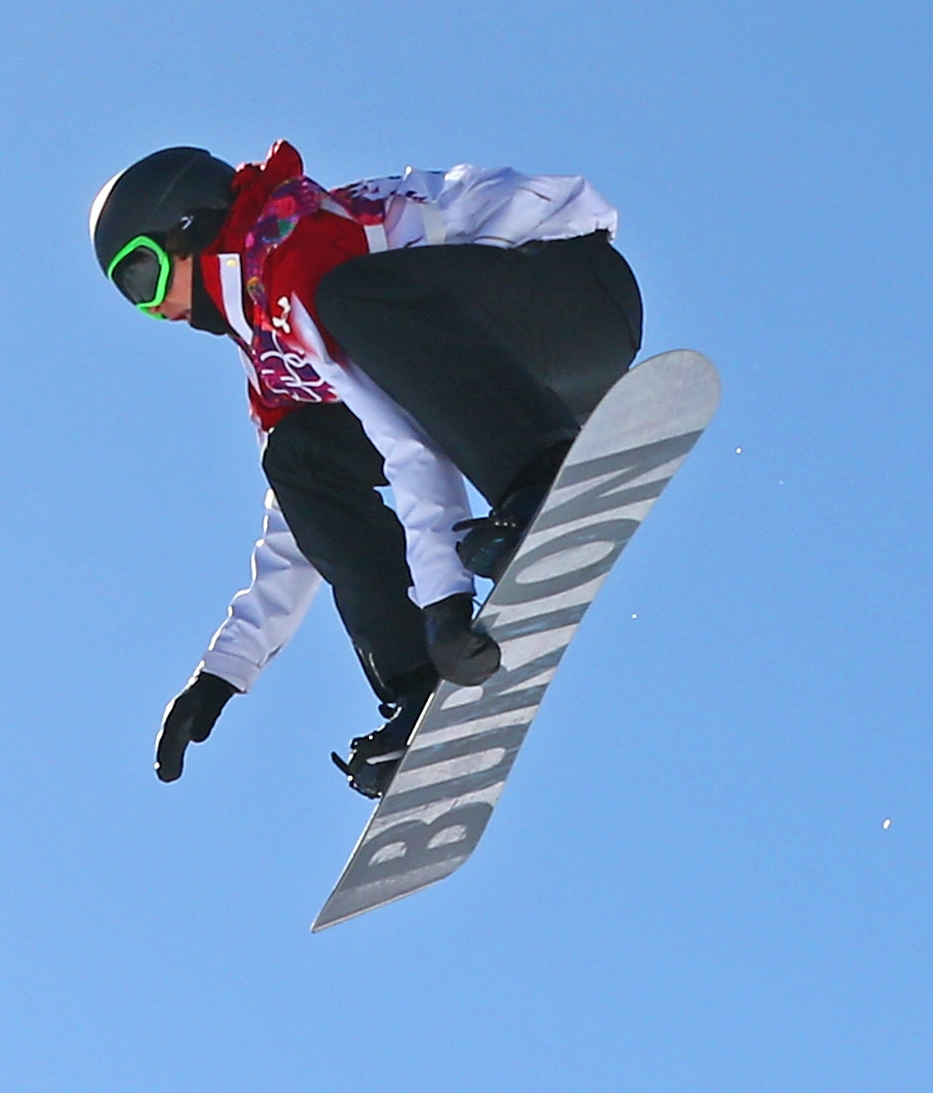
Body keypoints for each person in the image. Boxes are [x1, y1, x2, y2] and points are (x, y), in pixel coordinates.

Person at [96, 143, 642, 796]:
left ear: (188, 224)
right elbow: (304, 520)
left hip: (569, 290)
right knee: (297, 454)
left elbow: (401, 438)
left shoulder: (296, 247)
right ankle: (420, 685)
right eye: (130, 298)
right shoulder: (268, 351)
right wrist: (223, 672)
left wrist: (446, 598)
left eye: (142, 276)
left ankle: (540, 472)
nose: (151, 309)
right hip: (509, 370)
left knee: (350, 297)